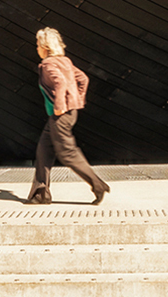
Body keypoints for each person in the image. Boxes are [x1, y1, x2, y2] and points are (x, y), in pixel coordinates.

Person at [26, 28, 110, 206]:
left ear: (44, 47)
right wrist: (76, 100)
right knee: (43, 150)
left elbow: (61, 83)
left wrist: (60, 106)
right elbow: (83, 79)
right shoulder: (65, 61)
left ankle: (98, 185)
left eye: (37, 45)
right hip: (64, 115)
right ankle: (41, 193)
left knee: (67, 153)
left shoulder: (48, 64)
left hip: (60, 116)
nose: (36, 48)